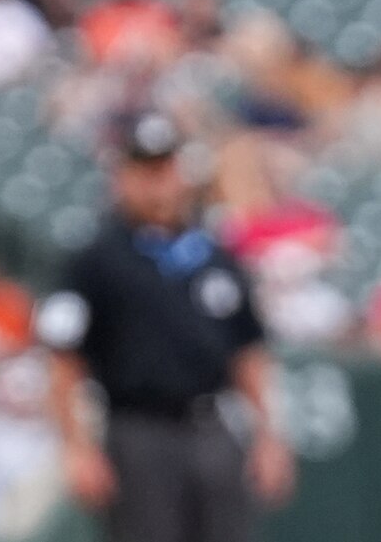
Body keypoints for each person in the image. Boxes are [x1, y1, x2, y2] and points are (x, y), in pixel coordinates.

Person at [39, 112, 295, 542]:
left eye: (164, 168)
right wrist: (78, 448)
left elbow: (248, 352)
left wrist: (269, 437)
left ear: (181, 172)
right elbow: (64, 360)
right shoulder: (96, 260)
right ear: (122, 176)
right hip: (138, 433)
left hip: (213, 426)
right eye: (144, 169)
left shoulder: (215, 255)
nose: (156, 181)